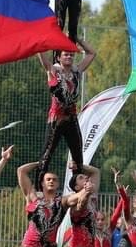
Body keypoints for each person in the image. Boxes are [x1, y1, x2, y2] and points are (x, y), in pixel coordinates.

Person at [35, 45, 96, 188]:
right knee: (47, 154)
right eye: (66, 54)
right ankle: (39, 188)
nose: (69, 57)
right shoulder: (54, 70)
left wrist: (78, 40)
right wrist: (42, 41)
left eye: (71, 55)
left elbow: (92, 53)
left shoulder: (77, 71)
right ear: (59, 57)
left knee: (78, 155)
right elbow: (43, 58)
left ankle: (78, 187)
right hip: (56, 119)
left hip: (71, 118)